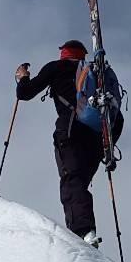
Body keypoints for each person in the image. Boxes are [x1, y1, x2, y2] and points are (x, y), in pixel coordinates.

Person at [16, 39, 107, 247]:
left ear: (64, 53)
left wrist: (22, 78)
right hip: (96, 137)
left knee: (71, 179)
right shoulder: (94, 73)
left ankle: (83, 233)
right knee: (80, 182)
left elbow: (25, 93)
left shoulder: (57, 67)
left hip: (70, 130)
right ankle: (86, 229)